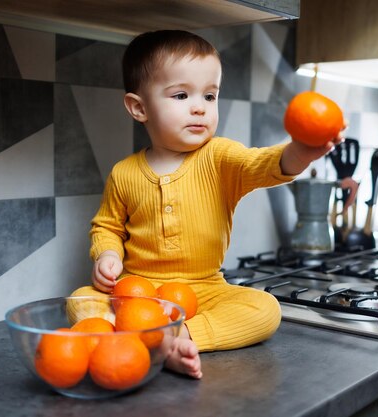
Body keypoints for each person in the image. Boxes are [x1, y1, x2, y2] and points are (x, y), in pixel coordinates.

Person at [70, 30, 343, 379]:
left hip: (207, 290)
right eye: (182, 94)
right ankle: (149, 339)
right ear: (139, 108)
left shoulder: (219, 158)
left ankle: (179, 337)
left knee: (265, 309)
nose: (200, 106)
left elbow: (263, 165)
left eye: (210, 95)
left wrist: (303, 151)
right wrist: (107, 255)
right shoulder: (123, 173)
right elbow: (107, 226)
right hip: (137, 292)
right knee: (81, 300)